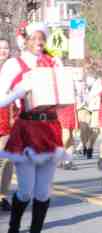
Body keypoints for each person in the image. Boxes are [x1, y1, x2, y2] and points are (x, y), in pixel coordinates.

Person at [0, 22, 70, 233]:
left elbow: (62, 96)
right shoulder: (14, 64)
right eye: (34, 38)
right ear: (25, 40)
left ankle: (35, 230)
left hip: (50, 128)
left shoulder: (52, 63)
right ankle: (13, 228)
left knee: (43, 192)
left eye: (42, 39)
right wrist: (20, 90)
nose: (39, 42)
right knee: (25, 190)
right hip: (27, 128)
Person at [0, 38, 13, 211]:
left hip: (9, 117)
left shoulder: (14, 71)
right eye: (0, 47)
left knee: (7, 158)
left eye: (6, 48)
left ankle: (3, 195)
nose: (3, 50)